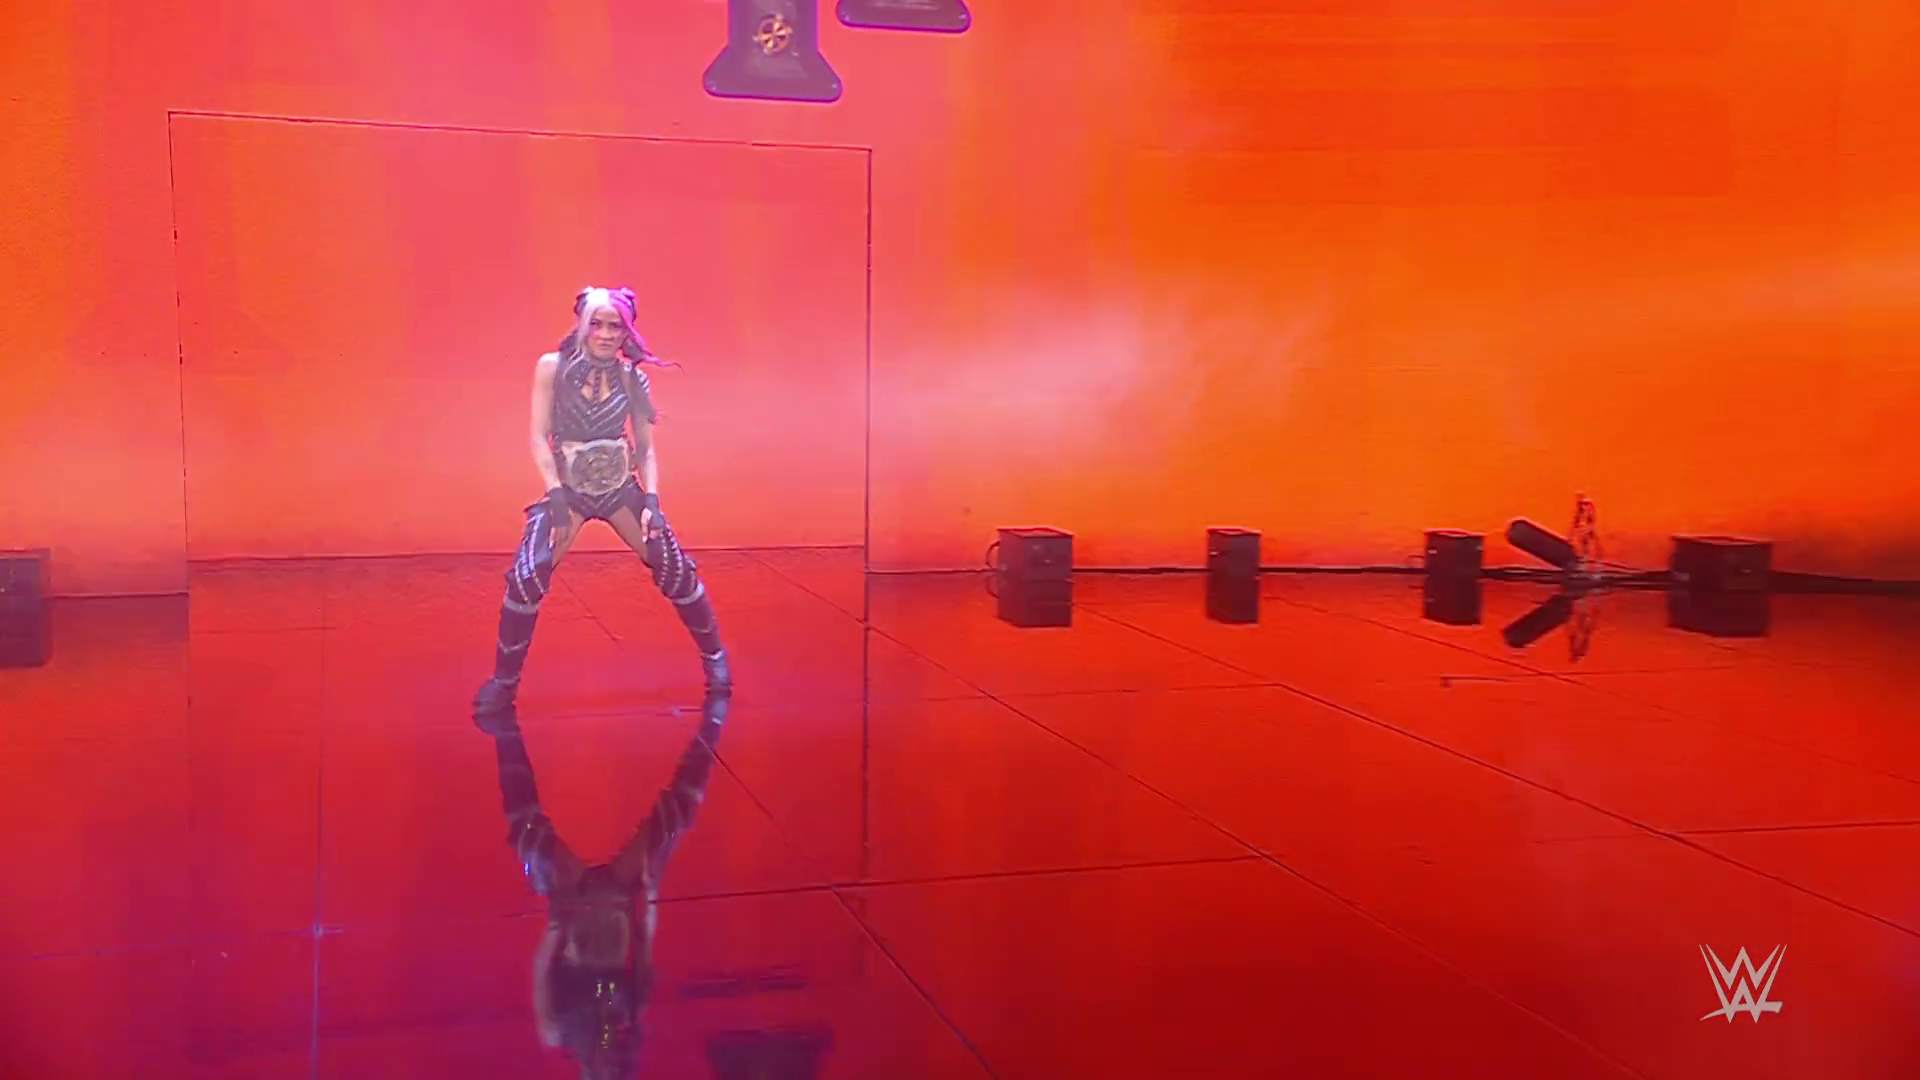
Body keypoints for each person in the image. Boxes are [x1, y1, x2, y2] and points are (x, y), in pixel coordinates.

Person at [474, 286, 730, 717]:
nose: (606, 334)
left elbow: (645, 449)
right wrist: (555, 494)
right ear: (582, 325)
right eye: (597, 324)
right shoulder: (553, 368)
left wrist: (652, 502)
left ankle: (716, 660)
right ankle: (503, 683)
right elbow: (538, 435)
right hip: (569, 489)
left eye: (615, 326)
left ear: (627, 331)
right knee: (527, 574)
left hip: (618, 488)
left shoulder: (632, 379)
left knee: (671, 563)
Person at [486, 691, 729, 1078]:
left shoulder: (557, 1031)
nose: (609, 1067)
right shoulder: (629, 1017)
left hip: (575, 908)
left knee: (527, 834)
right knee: (669, 826)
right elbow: (644, 949)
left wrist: (556, 925)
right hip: (616, 907)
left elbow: (540, 969)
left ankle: (504, 730)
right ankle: (714, 724)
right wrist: (650, 899)